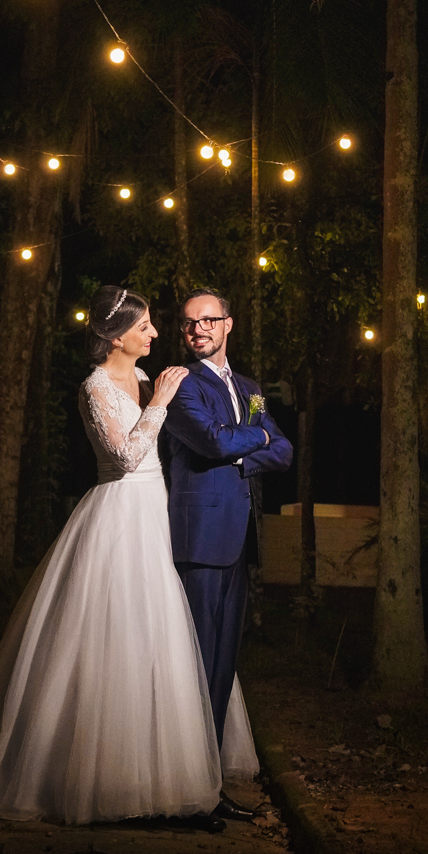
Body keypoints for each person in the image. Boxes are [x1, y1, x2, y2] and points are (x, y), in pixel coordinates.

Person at [0, 285, 257, 831]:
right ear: (117, 337)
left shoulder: (148, 378)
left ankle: (178, 782)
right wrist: (160, 405)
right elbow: (125, 456)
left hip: (158, 513)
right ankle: (113, 782)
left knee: (163, 644)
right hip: (119, 516)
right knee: (117, 643)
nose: (155, 333)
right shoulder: (96, 387)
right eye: (144, 326)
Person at [165, 287, 293, 822]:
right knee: (193, 663)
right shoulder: (180, 384)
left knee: (221, 668)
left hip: (239, 540)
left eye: (208, 320)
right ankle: (180, 789)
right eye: (189, 322)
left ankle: (208, 787)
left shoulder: (250, 389)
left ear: (228, 324)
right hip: (199, 539)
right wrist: (255, 440)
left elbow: (284, 451)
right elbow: (213, 443)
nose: (197, 329)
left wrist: (249, 445)